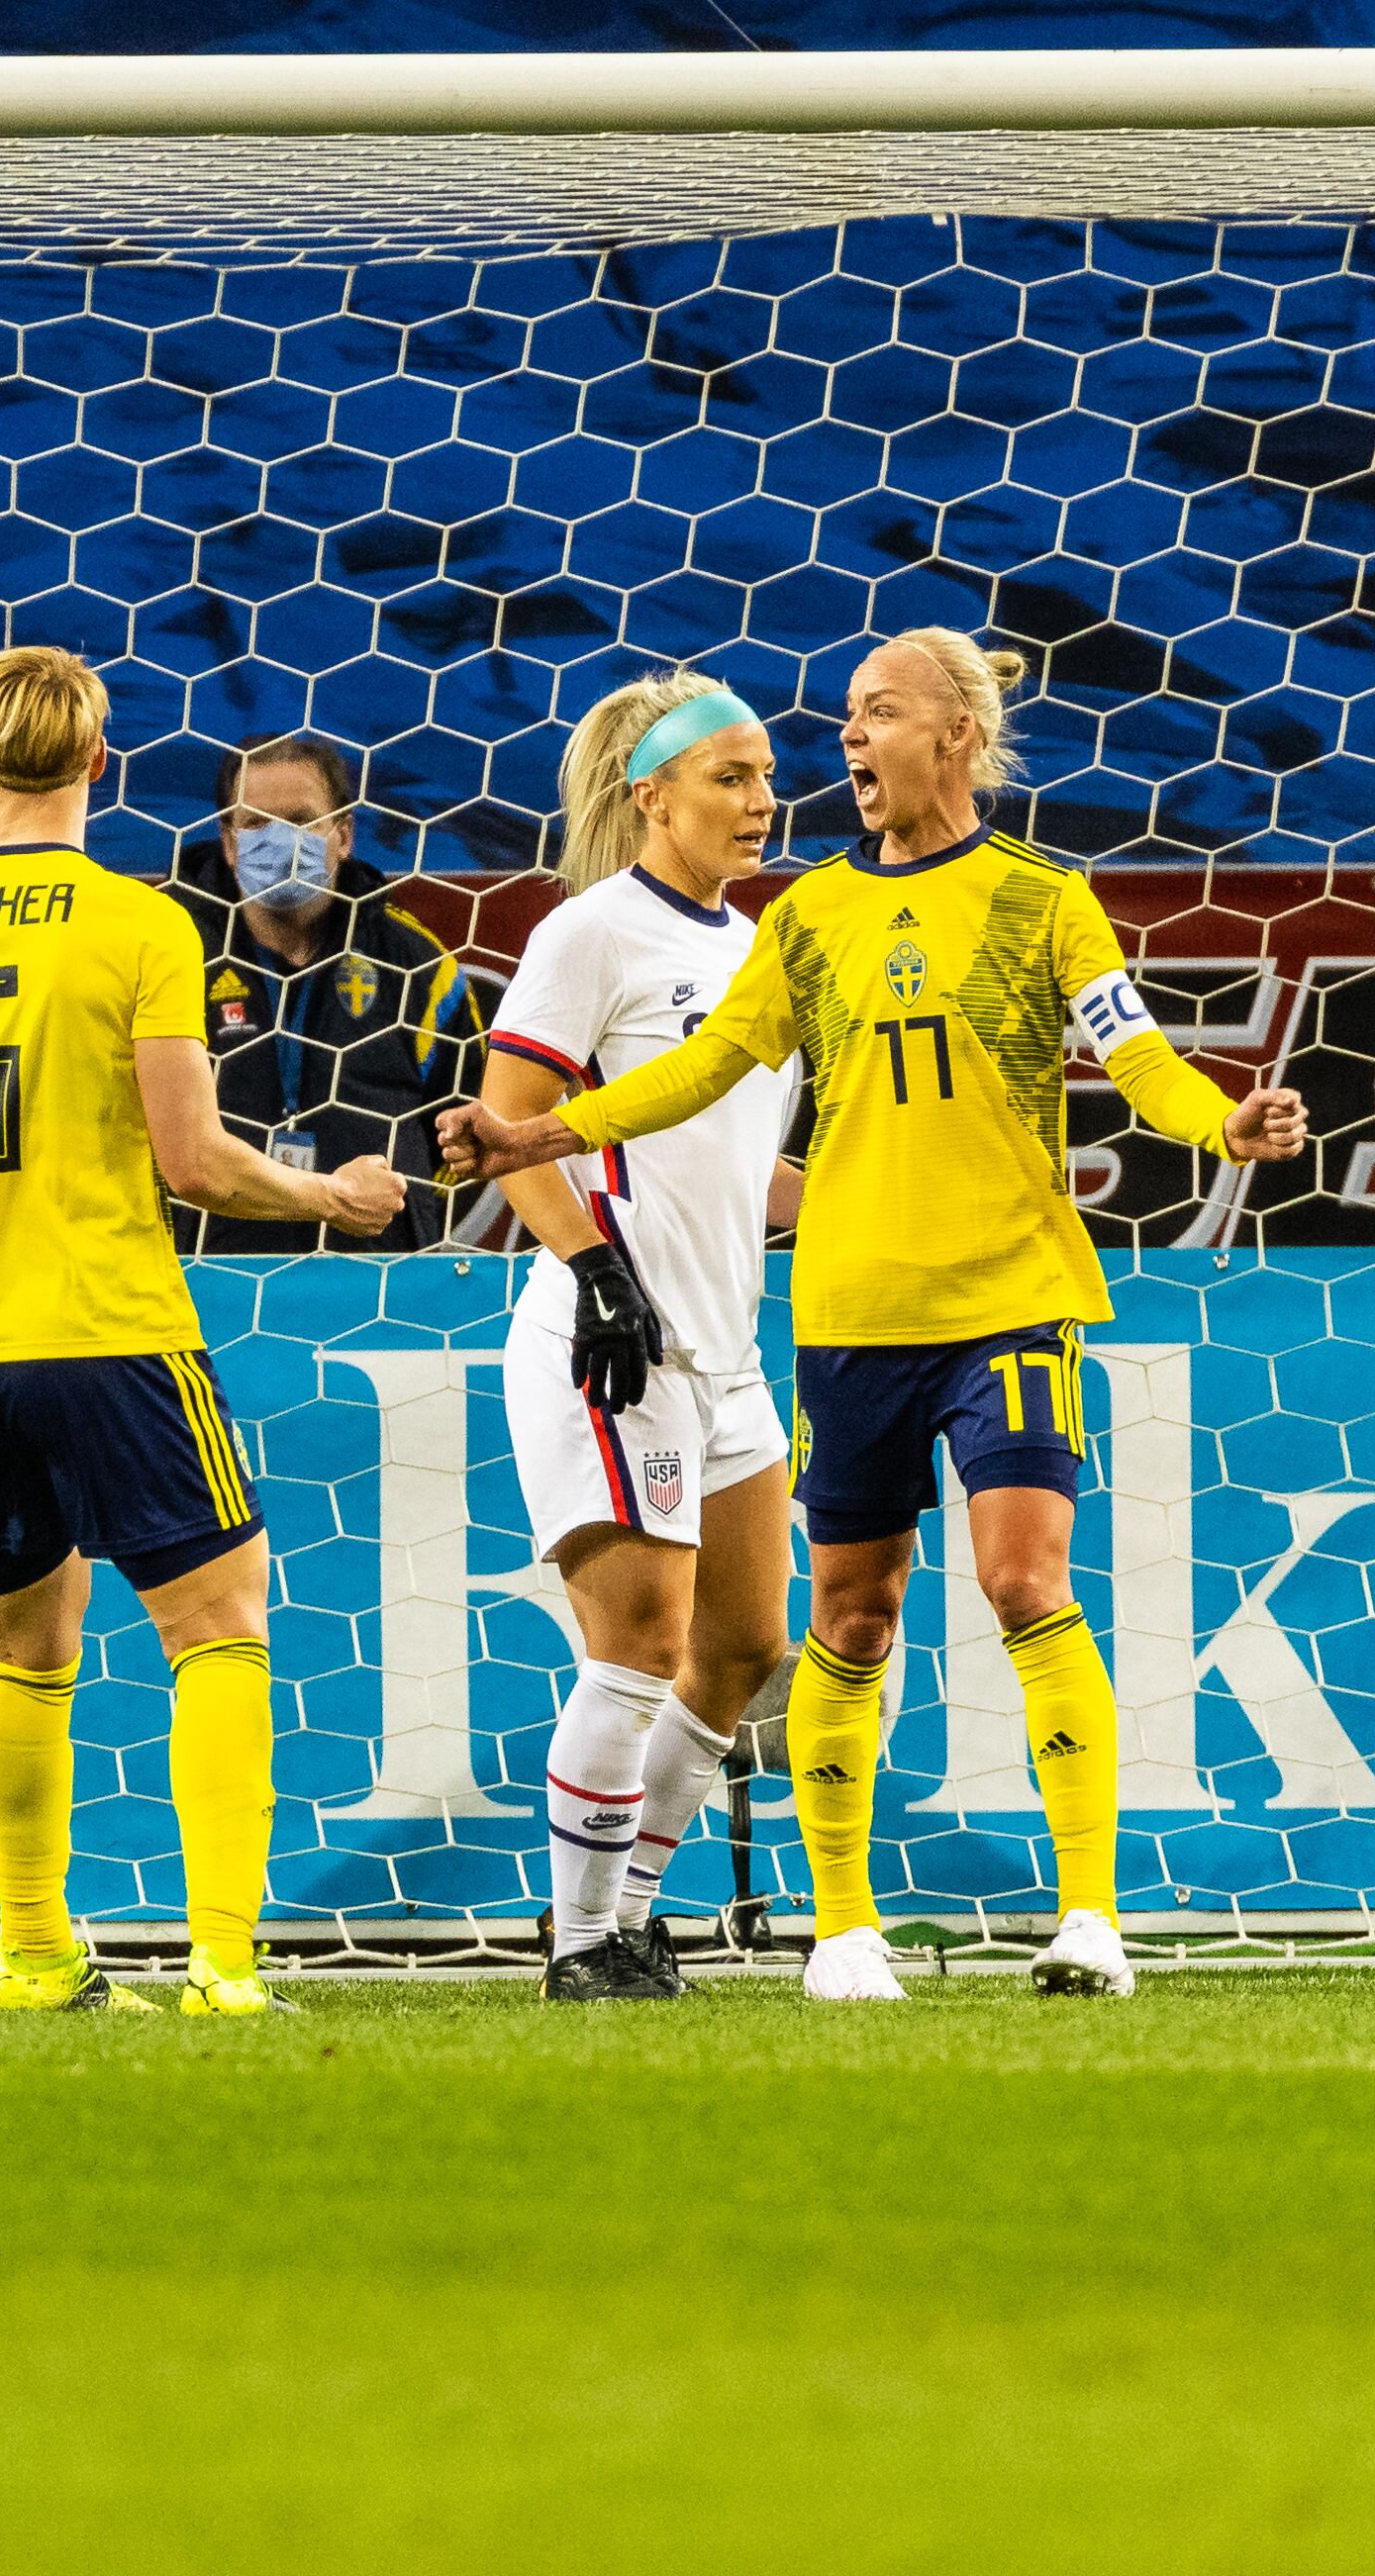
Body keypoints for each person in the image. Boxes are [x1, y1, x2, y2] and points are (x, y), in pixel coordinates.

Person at [446, 628, 1310, 2002]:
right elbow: (686, 1079)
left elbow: (1126, 1049)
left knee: (918, 1603)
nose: (821, 755)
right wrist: (529, 1145)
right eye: (825, 723)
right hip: (762, 1323)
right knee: (793, 1623)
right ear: (655, 792)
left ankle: (1081, 1916)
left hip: (942, 1307)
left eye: (870, 716)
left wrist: (1221, 1122)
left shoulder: (1015, 899)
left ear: (958, 732)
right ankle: (719, 1934)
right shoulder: (763, 921)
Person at [0, 648, 403, 2023]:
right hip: (104, 1319)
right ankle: (222, 1963)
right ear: (100, 761)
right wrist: (330, 1195)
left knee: (21, 1647)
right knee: (218, 1622)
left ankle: (35, 1954)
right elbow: (193, 1161)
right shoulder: (140, 925)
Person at [472, 672, 805, 2003]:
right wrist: (596, 1271)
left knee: (739, 1646)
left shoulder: (760, 951)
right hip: (608, 1336)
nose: (761, 799)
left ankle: (630, 1916)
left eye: (767, 775)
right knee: (637, 1642)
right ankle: (576, 1940)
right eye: (729, 776)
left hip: (720, 1351)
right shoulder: (589, 932)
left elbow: (737, 1173)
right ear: (647, 795)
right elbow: (508, 1130)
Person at [177, 731, 482, 1253]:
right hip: (207, 1274)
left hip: (381, 1276)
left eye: (299, 821)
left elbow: (468, 1125)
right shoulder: (172, 951)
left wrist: (403, 1208)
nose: (278, 840)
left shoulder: (415, 961)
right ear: (228, 844)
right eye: (255, 823)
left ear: (343, 835)